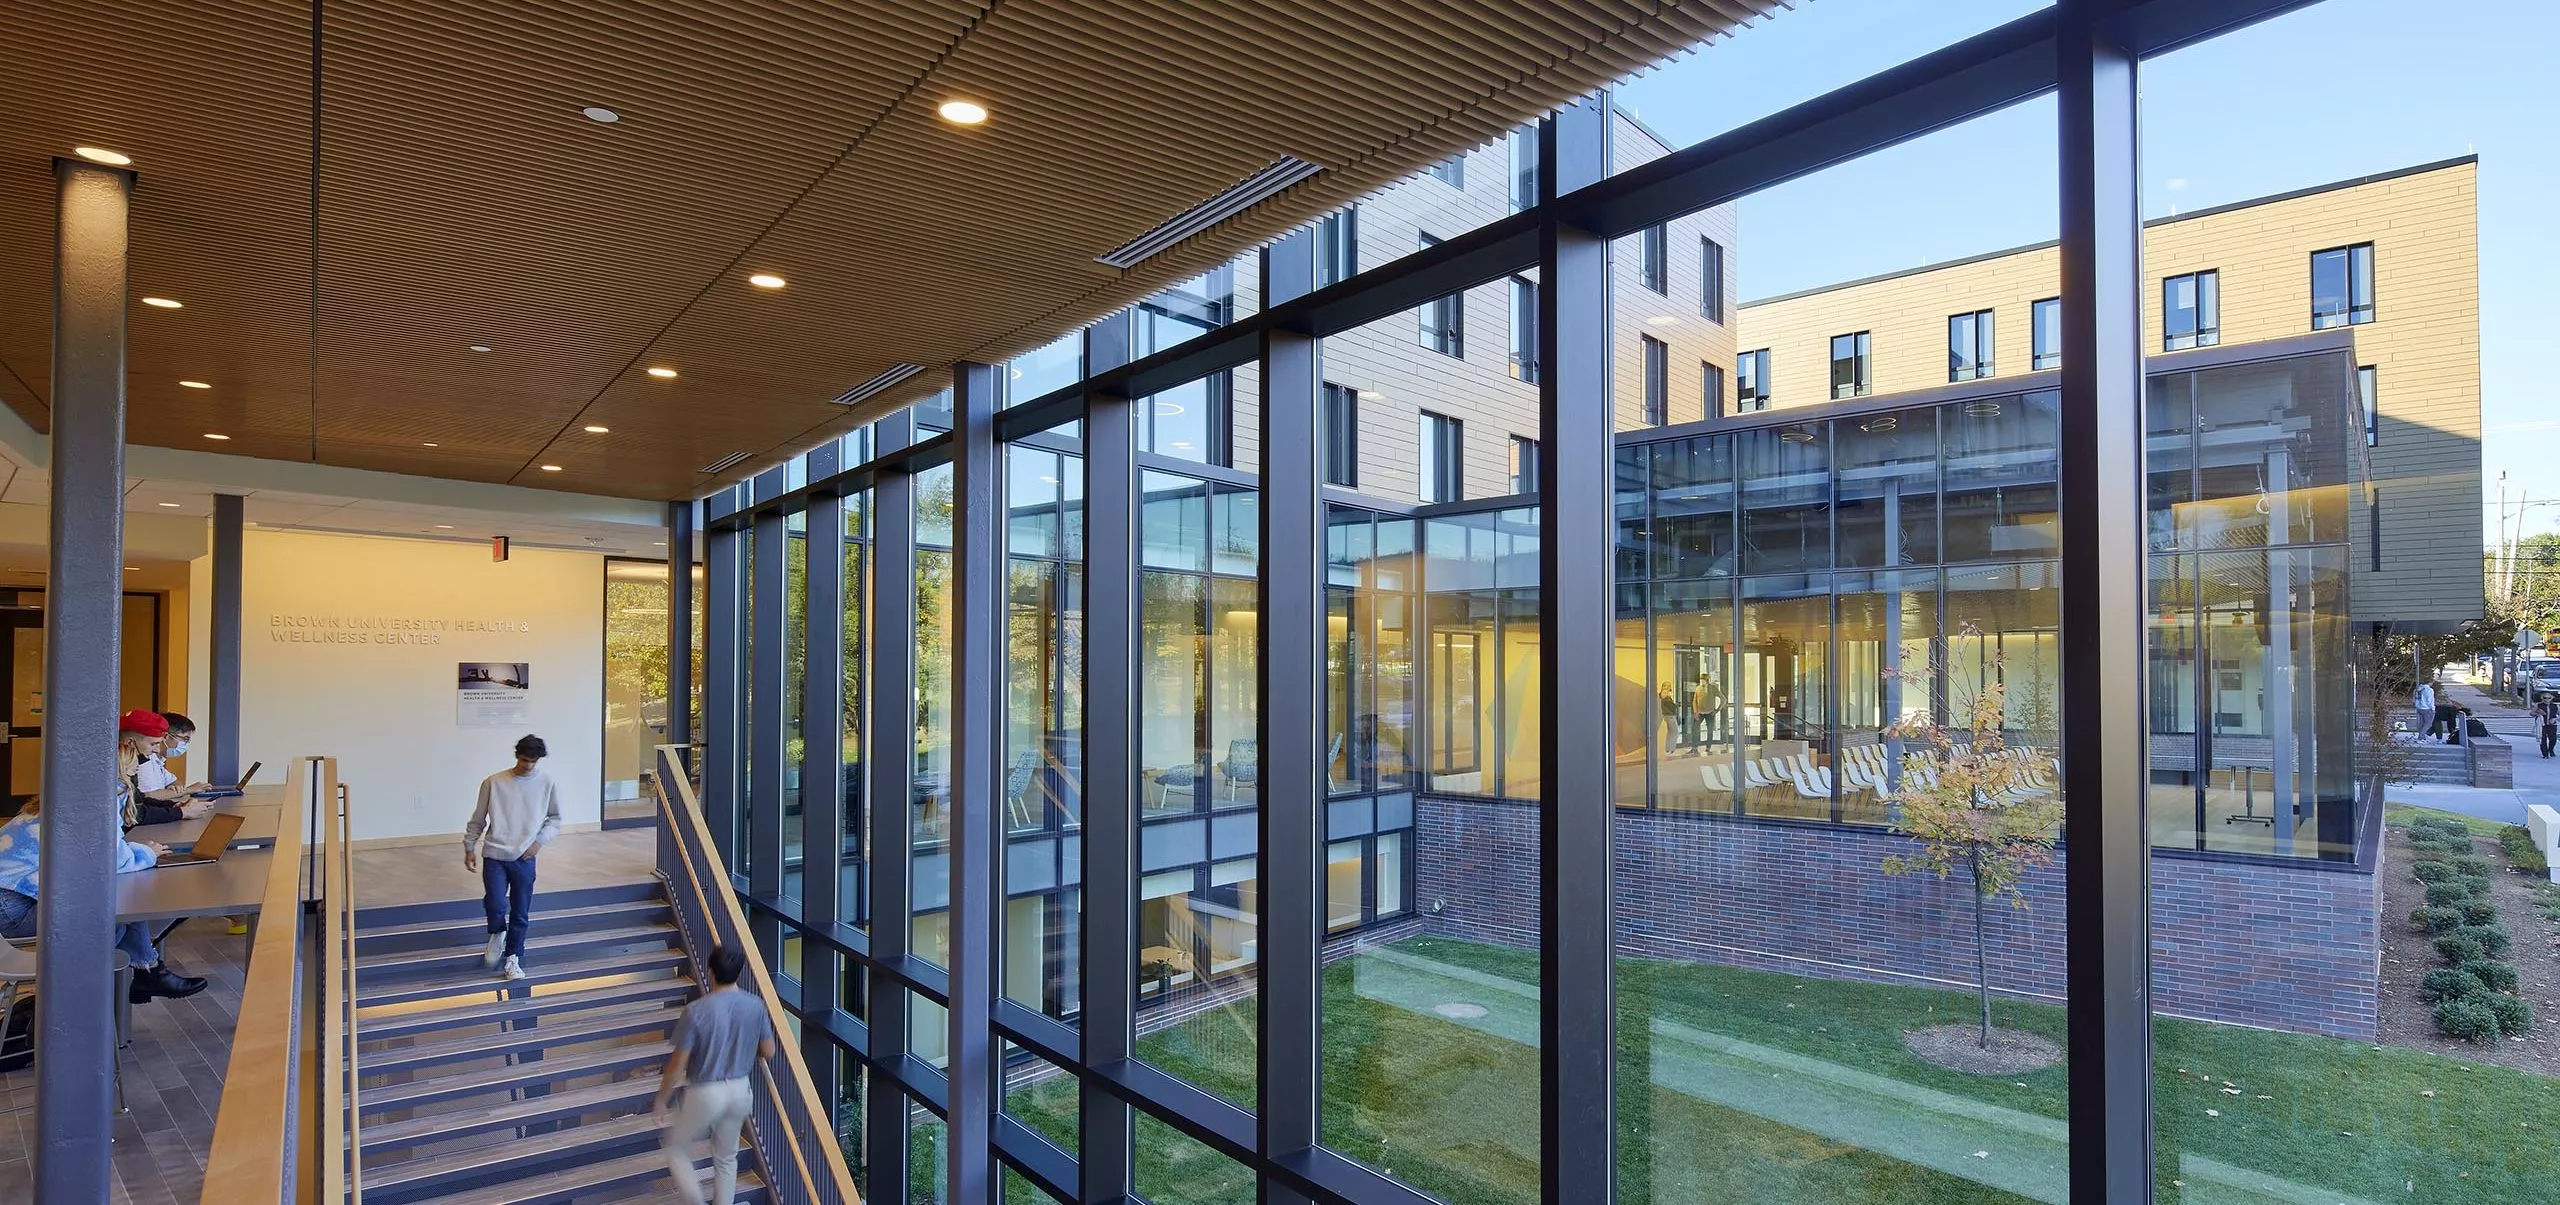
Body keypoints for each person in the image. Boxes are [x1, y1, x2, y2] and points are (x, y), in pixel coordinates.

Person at [0, 794, 208, 1002]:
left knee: (120, 904)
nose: (138, 763)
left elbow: (98, 858)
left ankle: (143, 975)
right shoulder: (99, 804)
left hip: (13, 899)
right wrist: (148, 853)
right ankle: (74, 999)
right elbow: (115, 861)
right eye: (133, 760)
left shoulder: (60, 802)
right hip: (13, 909)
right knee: (111, 917)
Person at [653, 944, 774, 1205]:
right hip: (741, 1089)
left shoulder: (696, 1011)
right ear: (739, 972)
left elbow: (677, 1065)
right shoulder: (756, 1006)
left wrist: (662, 1099)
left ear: (710, 971)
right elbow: (768, 1051)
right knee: (726, 1157)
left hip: (707, 1091)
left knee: (676, 1149)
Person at [462, 734, 562, 981]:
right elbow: (479, 817)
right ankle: (497, 933)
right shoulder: (494, 782)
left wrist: (539, 843)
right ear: (517, 755)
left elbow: (555, 818)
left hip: (525, 856)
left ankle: (513, 958)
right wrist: (469, 846)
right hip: (495, 853)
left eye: (534, 761)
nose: (528, 765)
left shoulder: (547, 783)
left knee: (520, 911)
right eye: (525, 759)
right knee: (495, 903)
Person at [2538, 694, 2559, 759]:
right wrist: (2538, 713)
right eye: (2545, 698)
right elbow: (2531, 713)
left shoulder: (2555, 706)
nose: (2547, 699)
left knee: (2553, 739)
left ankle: (2551, 749)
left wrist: (2555, 719)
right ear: (2542, 698)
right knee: (2542, 739)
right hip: (2542, 724)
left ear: (2551, 698)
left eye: (2549, 698)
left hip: (2552, 725)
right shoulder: (2539, 705)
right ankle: (2545, 754)